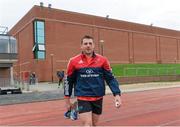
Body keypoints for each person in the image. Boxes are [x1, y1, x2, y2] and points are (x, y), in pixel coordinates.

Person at [64, 35, 122, 126]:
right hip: (83, 97)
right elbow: (68, 81)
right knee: (87, 124)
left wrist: (117, 94)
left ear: (94, 45)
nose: (88, 45)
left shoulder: (103, 60)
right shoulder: (73, 61)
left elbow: (110, 78)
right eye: (85, 43)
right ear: (81, 46)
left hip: (98, 97)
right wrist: (67, 100)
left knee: (94, 124)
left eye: (90, 43)